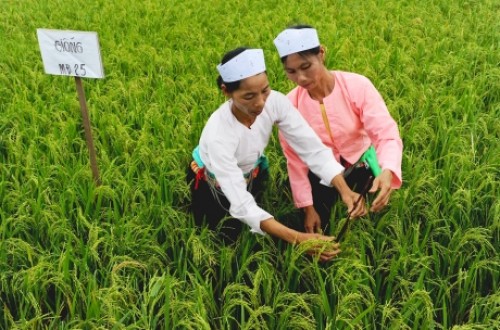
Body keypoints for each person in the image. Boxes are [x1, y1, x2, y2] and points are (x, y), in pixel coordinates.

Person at [186, 47, 367, 261]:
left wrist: (344, 190)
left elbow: (310, 147)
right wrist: (299, 238)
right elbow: (242, 204)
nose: (261, 103)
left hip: (253, 171)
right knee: (226, 239)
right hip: (212, 184)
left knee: (258, 216)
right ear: (226, 91)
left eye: (265, 90)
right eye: (249, 96)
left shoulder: (276, 102)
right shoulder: (219, 134)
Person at [273, 26, 403, 235]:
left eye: (306, 66)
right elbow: (295, 160)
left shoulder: (356, 86)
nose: (301, 78)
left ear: (321, 54)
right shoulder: (291, 106)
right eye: (291, 72)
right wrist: (308, 208)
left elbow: (385, 132)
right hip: (322, 173)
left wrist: (387, 170)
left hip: (360, 163)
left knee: (371, 217)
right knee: (318, 222)